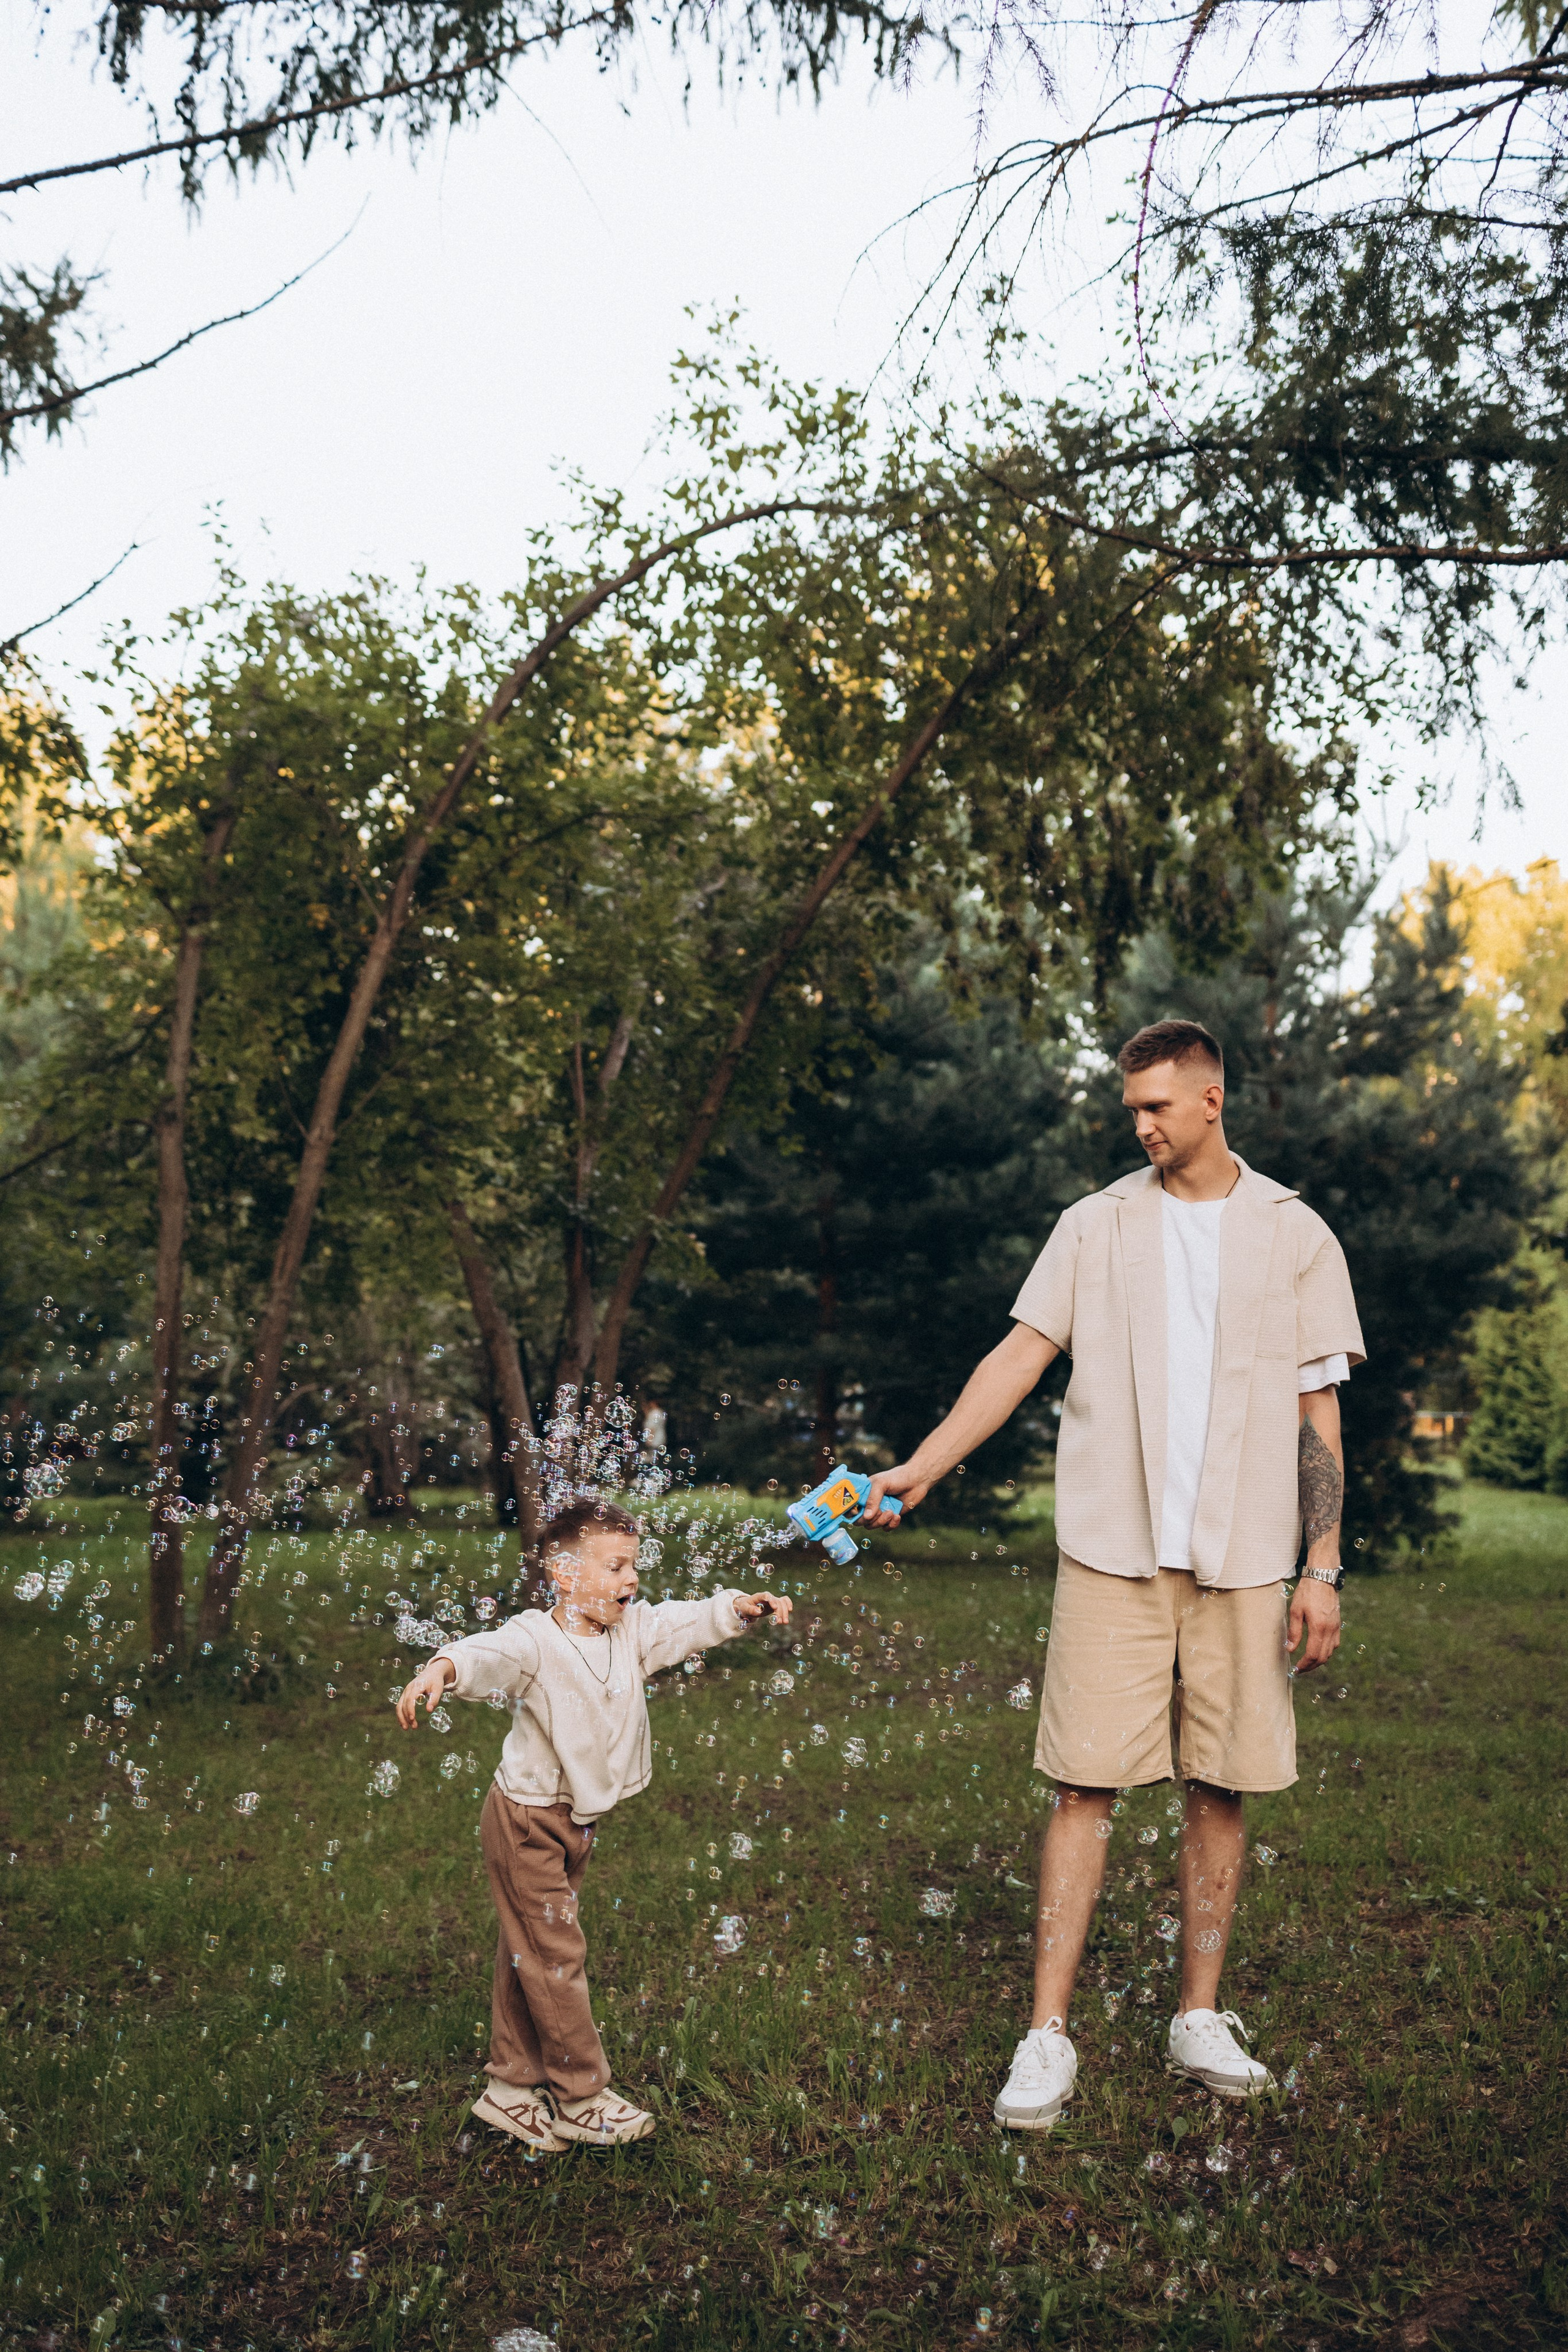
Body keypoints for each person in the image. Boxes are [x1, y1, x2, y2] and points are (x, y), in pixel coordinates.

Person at [863, 1019, 1363, 2128]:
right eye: (1131, 1109)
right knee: (1083, 1782)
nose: (1140, 1126)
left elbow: (1317, 1411)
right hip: (1113, 1552)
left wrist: (1322, 1565)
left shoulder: (1293, 1233)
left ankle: (1198, 2015)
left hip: (1244, 1560)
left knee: (1220, 1782)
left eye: (1156, 1108)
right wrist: (925, 1467)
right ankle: (1046, 2036)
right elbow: (1020, 1356)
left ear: (1212, 1102)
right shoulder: (1093, 1227)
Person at [396, 1498, 790, 2150]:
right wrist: (441, 1668)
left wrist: (733, 1609)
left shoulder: (630, 1632)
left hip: (574, 1822)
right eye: (615, 1566)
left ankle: (510, 2088)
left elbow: (680, 1623)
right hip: (526, 1819)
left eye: (634, 1565)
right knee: (555, 1955)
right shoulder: (534, 1639)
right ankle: (580, 2097)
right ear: (562, 1571)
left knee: (531, 1947)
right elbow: (486, 1653)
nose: (631, 1580)